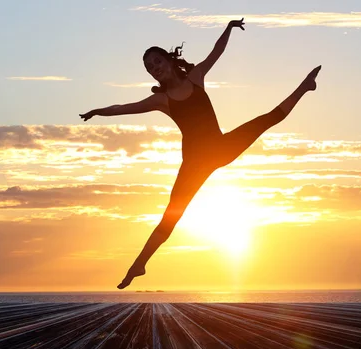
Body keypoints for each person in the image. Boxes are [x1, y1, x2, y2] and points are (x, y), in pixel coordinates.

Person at [79, 19, 322, 289]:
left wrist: (228, 28)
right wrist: (98, 110)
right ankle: (139, 264)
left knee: (265, 120)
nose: (154, 69)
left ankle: (304, 87)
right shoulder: (162, 100)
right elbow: (124, 107)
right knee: (173, 214)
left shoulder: (195, 79)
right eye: (149, 68)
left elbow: (216, 52)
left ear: (170, 62)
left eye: (157, 62)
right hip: (194, 163)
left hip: (221, 149)